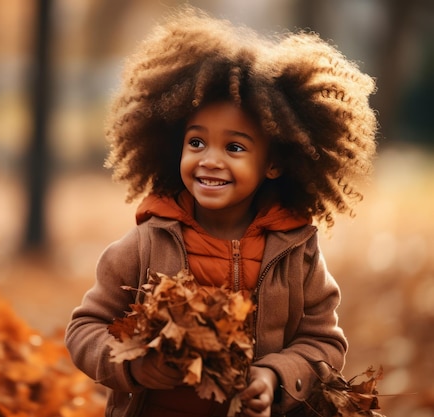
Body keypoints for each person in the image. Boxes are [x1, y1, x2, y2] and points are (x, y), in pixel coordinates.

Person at [65, 6, 378, 417]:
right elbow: (83, 330)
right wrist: (134, 363)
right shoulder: (146, 243)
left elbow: (325, 343)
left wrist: (275, 377)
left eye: (234, 148)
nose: (210, 160)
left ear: (273, 164)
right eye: (197, 143)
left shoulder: (294, 252)